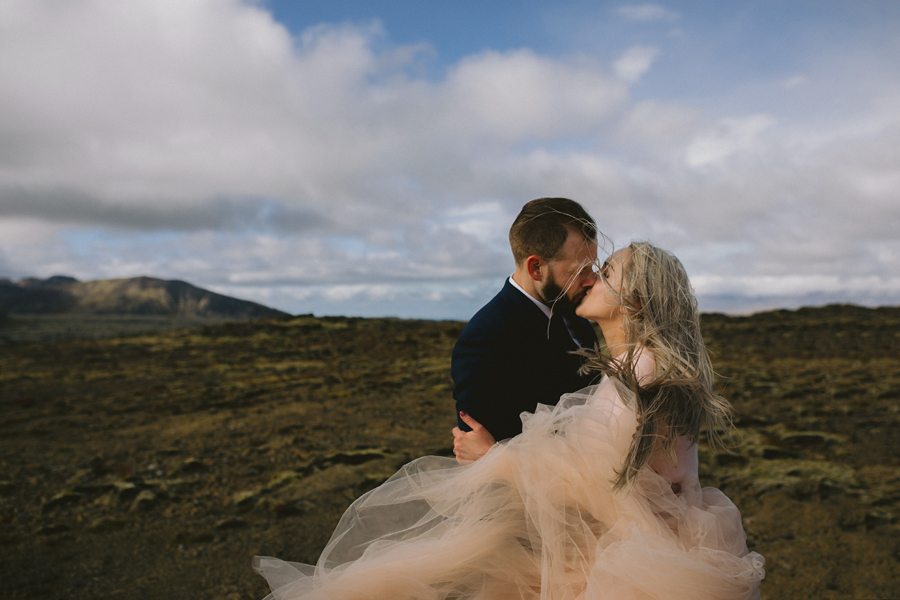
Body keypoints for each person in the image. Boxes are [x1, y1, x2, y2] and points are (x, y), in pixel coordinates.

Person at [254, 241, 765, 600]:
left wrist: (494, 458)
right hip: (617, 552)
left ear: (636, 299)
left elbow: (613, 493)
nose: (590, 276)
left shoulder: (646, 374)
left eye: (606, 271)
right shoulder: (628, 368)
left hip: (639, 572)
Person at [451, 197, 600, 445]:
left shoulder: (574, 310)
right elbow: (484, 460)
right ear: (536, 268)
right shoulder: (485, 341)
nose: (592, 280)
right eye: (580, 269)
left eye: (592, 267)